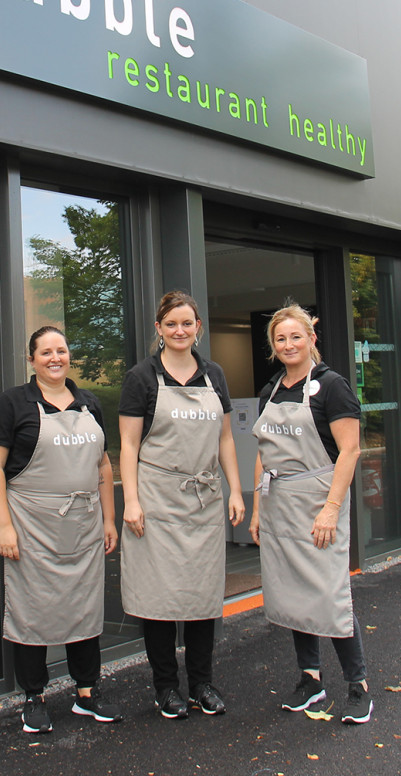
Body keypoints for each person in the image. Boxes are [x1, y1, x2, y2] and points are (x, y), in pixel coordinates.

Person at [0, 326, 121, 734]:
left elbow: (103, 465)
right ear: (32, 360)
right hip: (32, 525)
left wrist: (109, 519)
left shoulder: (89, 403)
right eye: (45, 352)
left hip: (83, 524)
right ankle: (34, 696)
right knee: (33, 610)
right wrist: (3, 526)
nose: (54, 358)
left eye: (61, 350)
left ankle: (86, 692)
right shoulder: (13, 404)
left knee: (85, 606)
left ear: (69, 356)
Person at [118, 291, 245, 719]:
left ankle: (203, 684)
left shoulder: (214, 375)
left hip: (204, 499)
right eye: (171, 324)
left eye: (187, 323)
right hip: (156, 499)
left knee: (202, 595)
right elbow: (128, 445)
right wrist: (131, 501)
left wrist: (236, 490)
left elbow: (226, 439)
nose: (179, 331)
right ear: (158, 329)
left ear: (198, 329)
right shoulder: (141, 378)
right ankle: (165, 687)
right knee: (159, 598)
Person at [249, 303, 372, 725]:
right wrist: (256, 509)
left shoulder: (332, 386)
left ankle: (359, 686)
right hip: (279, 503)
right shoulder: (270, 391)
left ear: (311, 339)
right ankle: (310, 680)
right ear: (273, 346)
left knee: (329, 591)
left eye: (295, 337)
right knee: (295, 594)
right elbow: (263, 452)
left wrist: (331, 510)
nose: (288, 345)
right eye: (280, 339)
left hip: (319, 503)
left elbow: (350, 450)